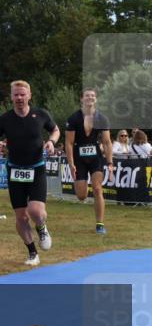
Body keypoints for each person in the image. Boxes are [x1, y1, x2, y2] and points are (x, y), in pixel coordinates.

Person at [0, 80, 59, 266]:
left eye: (22, 94)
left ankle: (41, 227)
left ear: (29, 95)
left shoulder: (40, 115)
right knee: (21, 217)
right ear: (11, 97)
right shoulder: (4, 119)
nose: (19, 98)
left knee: (35, 211)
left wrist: (51, 142)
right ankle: (33, 253)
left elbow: (55, 130)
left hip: (36, 169)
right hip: (15, 171)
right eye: (16, 94)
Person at [64, 87, 114, 235]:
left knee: (98, 189)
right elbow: (68, 143)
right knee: (81, 196)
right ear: (82, 99)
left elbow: (107, 142)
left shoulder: (102, 118)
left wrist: (110, 162)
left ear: (96, 99)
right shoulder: (73, 119)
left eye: (92, 96)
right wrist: (71, 163)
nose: (90, 98)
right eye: (87, 95)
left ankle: (100, 224)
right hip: (79, 157)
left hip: (95, 157)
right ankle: (81, 188)